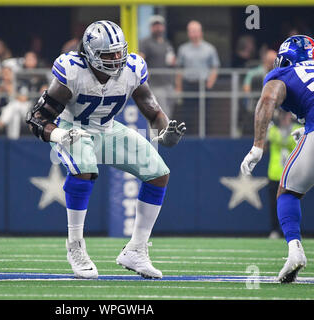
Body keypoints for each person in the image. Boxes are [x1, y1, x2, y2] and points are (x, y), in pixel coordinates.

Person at [25, 20, 186, 279]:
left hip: (108, 129)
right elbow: (36, 119)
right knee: (84, 166)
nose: (116, 59)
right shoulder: (71, 71)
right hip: (73, 128)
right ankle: (75, 245)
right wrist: (59, 135)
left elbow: (153, 110)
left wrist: (164, 134)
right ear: (89, 53)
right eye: (108, 54)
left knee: (158, 172)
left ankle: (136, 249)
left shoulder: (132, 69)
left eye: (120, 52)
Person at [240, 35, 314, 283]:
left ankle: (295, 251)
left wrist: (257, 145)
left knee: (287, 192)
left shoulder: (283, 74)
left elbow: (267, 100)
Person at [174, 20, 220, 134]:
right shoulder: (183, 49)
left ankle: (206, 137)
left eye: (196, 31)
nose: (194, 33)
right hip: (188, 84)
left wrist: (210, 83)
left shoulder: (210, 48)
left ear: (201, 32)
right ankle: (187, 137)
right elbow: (179, 69)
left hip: (204, 85)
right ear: (188, 33)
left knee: (206, 114)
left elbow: (215, 67)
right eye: (191, 31)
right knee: (187, 115)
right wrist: (179, 87)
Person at [266, 111, 301, 239]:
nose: (284, 117)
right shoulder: (274, 130)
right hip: (275, 173)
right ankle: (275, 230)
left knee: (292, 203)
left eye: (286, 114)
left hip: (291, 174)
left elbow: (289, 142)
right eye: (282, 114)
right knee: (274, 205)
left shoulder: (297, 129)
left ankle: (293, 231)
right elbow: (275, 140)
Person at [139, 15, 177, 118]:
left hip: (169, 84)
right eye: (155, 26)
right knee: (161, 113)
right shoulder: (146, 42)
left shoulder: (167, 43)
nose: (158, 28)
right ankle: (160, 134)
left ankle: (165, 133)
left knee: (169, 112)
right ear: (151, 27)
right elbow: (140, 60)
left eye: (159, 25)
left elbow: (172, 61)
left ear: (163, 27)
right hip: (155, 85)